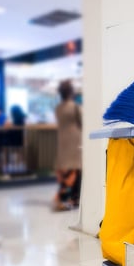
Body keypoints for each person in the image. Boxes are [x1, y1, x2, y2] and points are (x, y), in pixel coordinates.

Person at [53, 80, 82, 211]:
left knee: (66, 170)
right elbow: (82, 122)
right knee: (76, 169)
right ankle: (73, 198)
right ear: (71, 92)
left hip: (62, 140)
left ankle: (65, 197)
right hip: (75, 140)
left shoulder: (58, 108)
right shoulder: (75, 107)